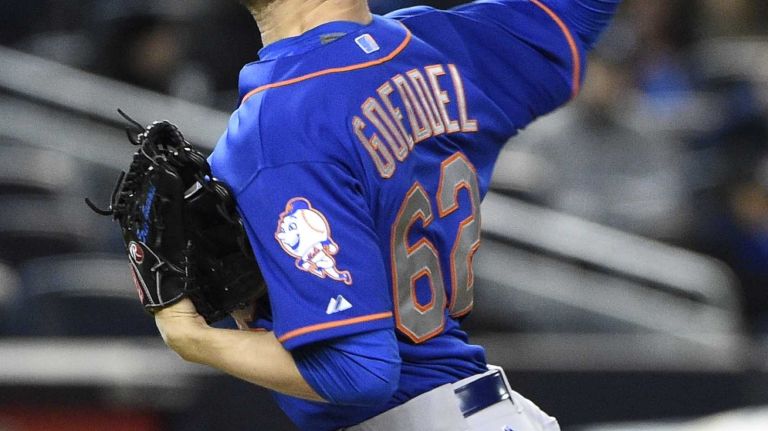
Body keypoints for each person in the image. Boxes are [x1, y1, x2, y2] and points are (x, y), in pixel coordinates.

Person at [153, 0, 621, 430]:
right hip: (483, 410)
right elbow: (577, 13)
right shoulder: (439, 43)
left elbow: (359, 372)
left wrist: (193, 338)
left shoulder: (279, 121)